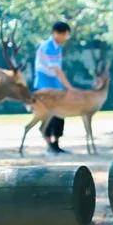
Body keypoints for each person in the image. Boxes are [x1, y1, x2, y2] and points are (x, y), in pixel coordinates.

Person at [33, 21, 75, 154]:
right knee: (48, 114)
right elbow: (57, 70)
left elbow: (57, 71)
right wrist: (70, 88)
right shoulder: (48, 46)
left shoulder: (57, 47)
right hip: (45, 83)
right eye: (65, 35)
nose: (66, 38)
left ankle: (56, 145)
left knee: (60, 112)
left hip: (55, 83)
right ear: (57, 33)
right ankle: (49, 145)